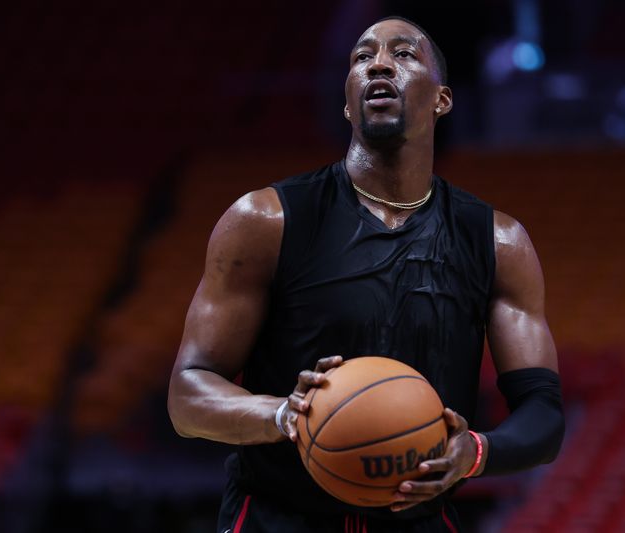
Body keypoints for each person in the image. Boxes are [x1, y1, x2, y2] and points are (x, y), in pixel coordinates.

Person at [167, 15, 565, 533]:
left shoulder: (496, 240)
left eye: (403, 54)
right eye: (361, 57)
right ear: (348, 101)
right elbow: (188, 395)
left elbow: (544, 414)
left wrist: (475, 451)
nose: (378, 63)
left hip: (418, 520)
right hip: (276, 518)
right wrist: (280, 414)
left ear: (442, 100)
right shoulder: (265, 220)